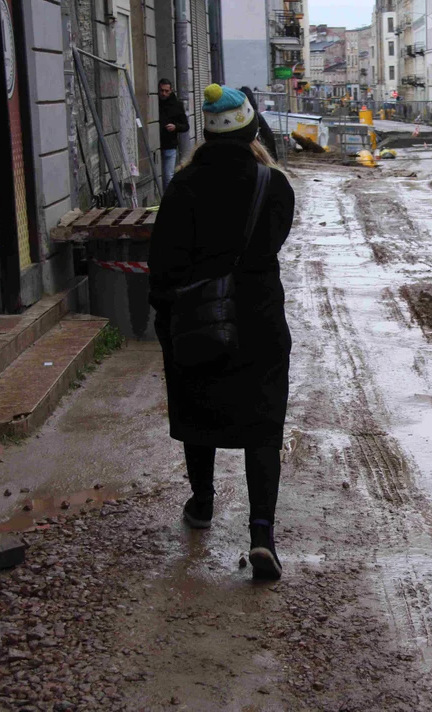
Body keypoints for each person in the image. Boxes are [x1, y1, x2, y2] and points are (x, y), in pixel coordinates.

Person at [148, 84, 295, 580]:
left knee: (199, 405)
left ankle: (203, 504)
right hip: (259, 323)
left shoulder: (182, 187)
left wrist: (164, 321)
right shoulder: (273, 186)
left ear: (205, 134)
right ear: (254, 130)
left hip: (196, 318)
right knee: (262, 424)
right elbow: (271, 245)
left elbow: (163, 265)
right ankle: (261, 534)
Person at [158, 78, 189, 191]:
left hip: (170, 145)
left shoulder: (176, 105)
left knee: (168, 176)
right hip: (156, 145)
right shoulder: (154, 102)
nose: (164, 93)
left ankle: (168, 201)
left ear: (171, 90)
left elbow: (185, 126)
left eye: (166, 91)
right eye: (161, 90)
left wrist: (175, 127)